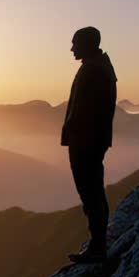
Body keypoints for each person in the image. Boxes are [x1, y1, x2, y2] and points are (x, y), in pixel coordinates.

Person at [61, 25, 117, 263]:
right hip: (90, 141)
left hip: (86, 143)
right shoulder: (98, 66)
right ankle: (97, 245)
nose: (72, 48)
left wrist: (79, 139)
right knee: (93, 192)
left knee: (91, 194)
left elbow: (90, 112)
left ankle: (97, 248)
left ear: (88, 44)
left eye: (75, 43)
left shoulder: (93, 70)